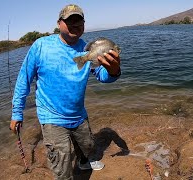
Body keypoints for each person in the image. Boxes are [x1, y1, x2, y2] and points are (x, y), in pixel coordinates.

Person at [9, 4, 121, 179]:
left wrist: (114, 70)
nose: (75, 24)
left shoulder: (87, 49)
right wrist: (17, 113)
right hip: (51, 117)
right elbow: (24, 79)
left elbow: (103, 76)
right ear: (59, 23)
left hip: (78, 114)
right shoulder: (40, 46)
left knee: (88, 146)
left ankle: (84, 162)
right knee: (62, 166)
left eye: (79, 20)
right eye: (70, 20)